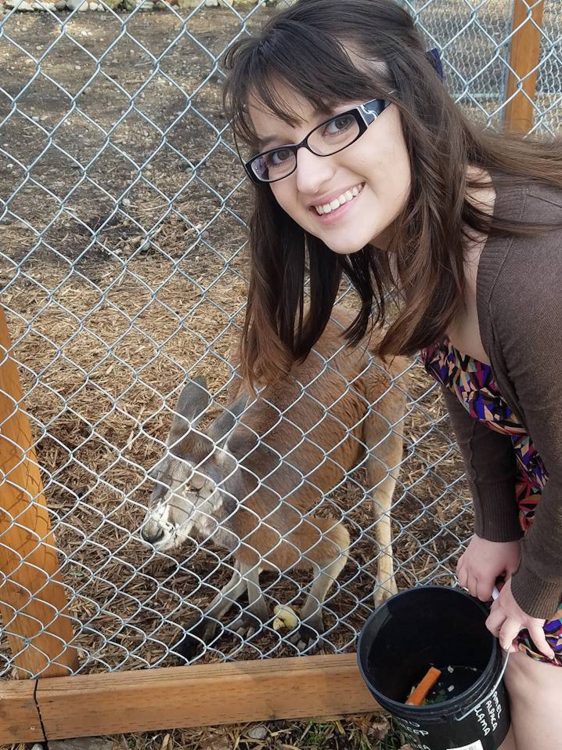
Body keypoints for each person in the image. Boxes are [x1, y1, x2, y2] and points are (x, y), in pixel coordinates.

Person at [221, 0, 562, 747]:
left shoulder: (531, 280)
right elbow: (470, 392)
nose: (306, 176)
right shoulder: (415, 236)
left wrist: (537, 589)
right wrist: (499, 528)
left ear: (419, 97)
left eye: (337, 121)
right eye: (277, 151)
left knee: (534, 658)